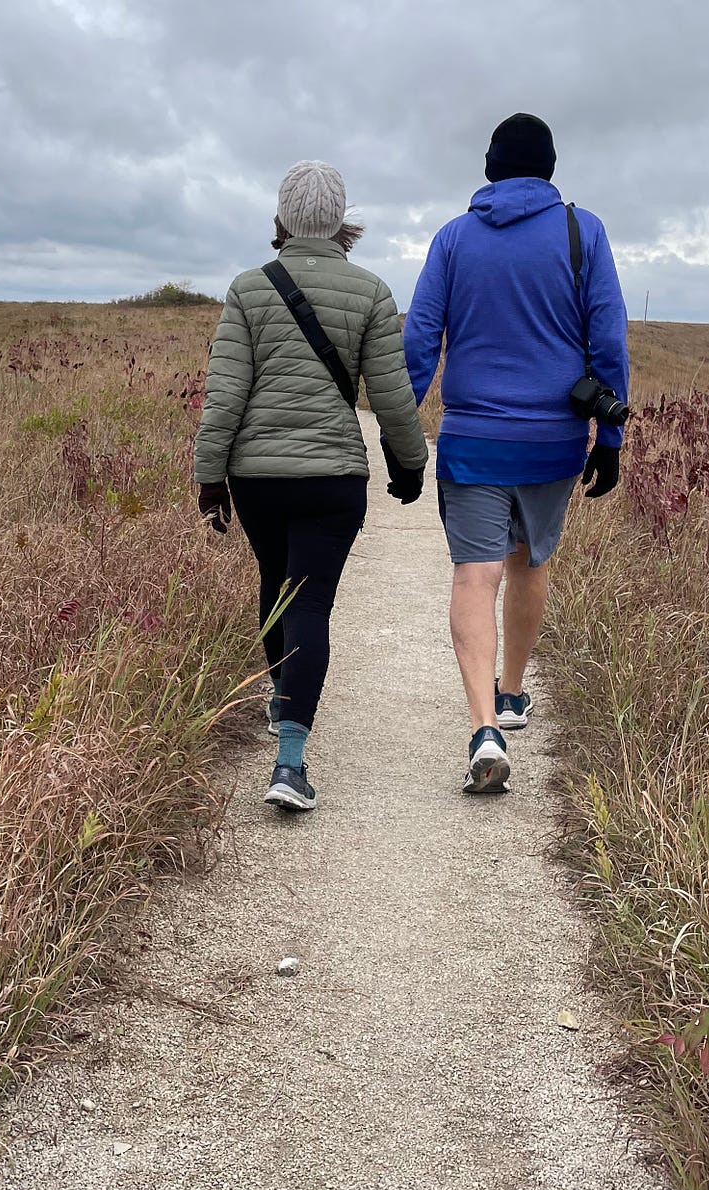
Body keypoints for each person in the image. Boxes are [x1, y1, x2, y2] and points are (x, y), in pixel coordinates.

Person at [403, 113, 629, 795]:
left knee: (474, 575)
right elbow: (609, 339)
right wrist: (610, 439)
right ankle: (511, 692)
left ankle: (483, 728)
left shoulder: (452, 238)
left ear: (490, 168)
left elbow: (419, 339)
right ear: (550, 169)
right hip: (554, 439)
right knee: (530, 559)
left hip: (471, 439)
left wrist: (398, 430)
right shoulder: (582, 231)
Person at [195, 160, 428, 812]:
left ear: (282, 217)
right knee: (309, 603)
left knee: (277, 584)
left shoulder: (247, 290)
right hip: (333, 478)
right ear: (341, 219)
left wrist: (210, 476)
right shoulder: (374, 293)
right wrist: (409, 466)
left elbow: (224, 396)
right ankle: (290, 763)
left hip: (257, 478)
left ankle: (280, 701)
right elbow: (392, 396)